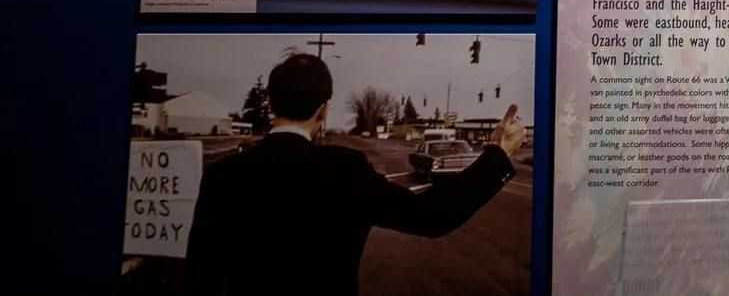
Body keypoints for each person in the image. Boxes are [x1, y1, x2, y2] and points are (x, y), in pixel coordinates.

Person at [182, 53, 525, 295]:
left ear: (269, 104)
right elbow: (432, 216)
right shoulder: (344, 170)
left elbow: (201, 276)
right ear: (323, 109)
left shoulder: (224, 175)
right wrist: (498, 153)